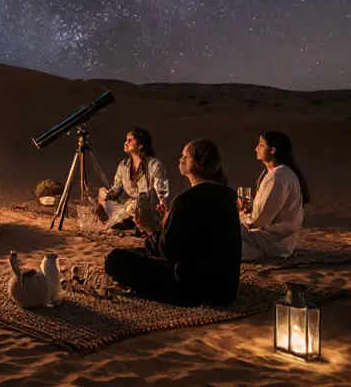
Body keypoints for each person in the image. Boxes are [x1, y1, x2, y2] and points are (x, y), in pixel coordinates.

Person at [103, 139, 241, 306]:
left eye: (185, 156)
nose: (180, 159)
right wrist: (168, 223)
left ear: (198, 163)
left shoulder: (186, 200)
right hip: (224, 288)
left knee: (115, 259)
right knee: (141, 251)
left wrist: (149, 229)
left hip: (190, 289)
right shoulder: (227, 196)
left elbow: (169, 252)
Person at [240, 131, 310, 261]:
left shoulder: (278, 178)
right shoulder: (276, 173)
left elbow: (258, 221)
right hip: (274, 241)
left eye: (261, 145)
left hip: (271, 244)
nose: (256, 148)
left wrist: (241, 215)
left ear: (272, 150)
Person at [95, 127, 169, 231]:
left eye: (130, 140)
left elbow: (162, 193)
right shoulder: (123, 165)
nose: (126, 143)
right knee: (107, 202)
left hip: (146, 207)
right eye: (126, 140)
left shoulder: (155, 165)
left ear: (140, 145)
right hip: (128, 207)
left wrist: (162, 204)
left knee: (136, 207)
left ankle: (128, 222)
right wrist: (106, 194)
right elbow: (116, 189)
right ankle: (125, 221)